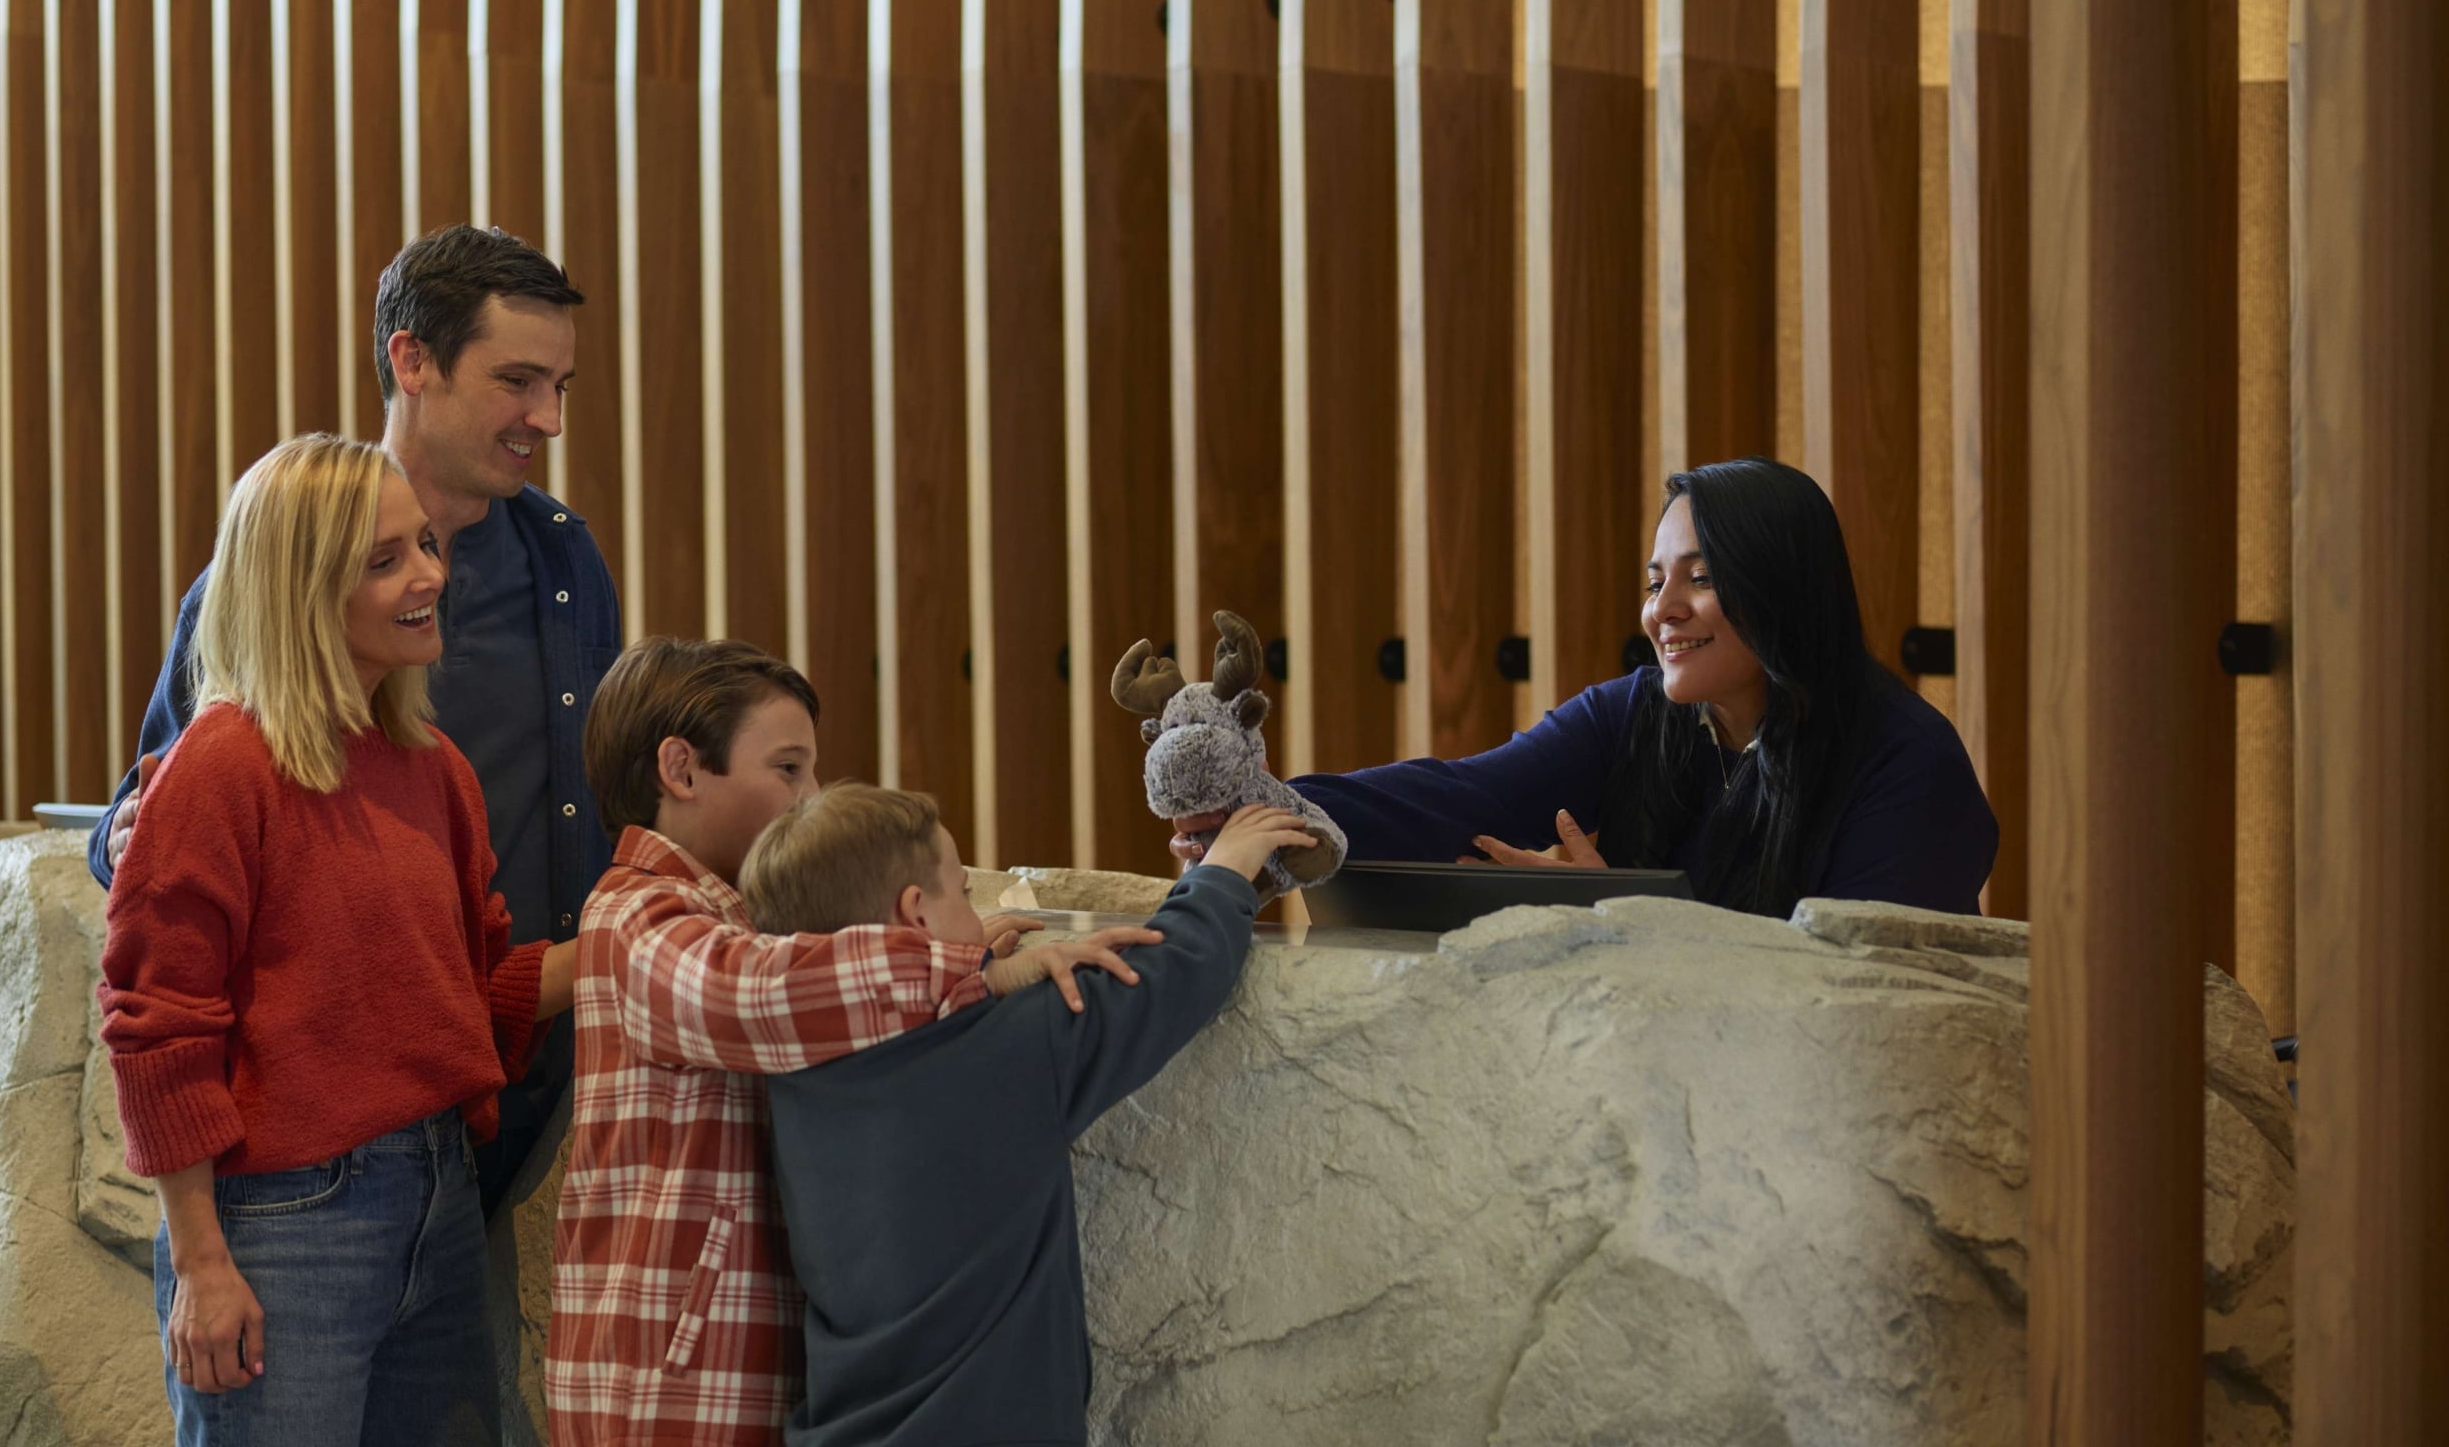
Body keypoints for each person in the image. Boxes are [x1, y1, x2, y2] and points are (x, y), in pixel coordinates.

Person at [86, 226, 615, 1429]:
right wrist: (204, 1258)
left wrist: (653, 940)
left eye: (425, 551)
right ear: (413, 360)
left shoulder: (439, 755)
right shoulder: (226, 753)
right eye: (386, 560)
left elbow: (470, 978)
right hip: (288, 1201)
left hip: (451, 1161)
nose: (427, 576)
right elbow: (157, 1007)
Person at [544, 639, 1169, 1447]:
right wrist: (966, 964)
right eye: (788, 770)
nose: (809, 802)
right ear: (681, 769)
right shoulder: (635, 917)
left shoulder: (737, 916)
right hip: (667, 1387)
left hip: (743, 1372)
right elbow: (759, 994)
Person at [1170, 457, 1998, 918]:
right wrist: (1264, 814)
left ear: (1783, 588)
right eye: (1652, 581)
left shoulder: (1905, 764)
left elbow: (1850, 1000)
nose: (1661, 611)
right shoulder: (1636, 712)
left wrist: (1623, 913)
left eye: (1701, 578)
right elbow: (1460, 797)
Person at [740, 787, 1315, 1447]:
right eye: (961, 891)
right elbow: (1171, 970)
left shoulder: (795, 1072)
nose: (975, 911)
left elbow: (875, 1004)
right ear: (918, 916)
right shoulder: (1009, 1046)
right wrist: (1225, 868)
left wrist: (969, 968)